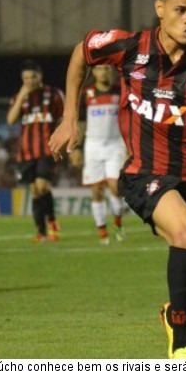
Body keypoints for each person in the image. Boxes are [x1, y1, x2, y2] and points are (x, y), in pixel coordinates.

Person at [49, 0, 186, 359]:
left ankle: (174, 311)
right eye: (181, 10)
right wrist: (71, 116)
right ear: (160, 9)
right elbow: (82, 51)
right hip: (148, 172)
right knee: (184, 232)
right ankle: (182, 342)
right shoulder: (128, 47)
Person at [69, 65, 128, 245]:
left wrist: (128, 148)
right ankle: (102, 229)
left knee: (115, 186)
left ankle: (118, 223)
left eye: (107, 69)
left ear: (112, 72)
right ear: (93, 72)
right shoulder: (86, 94)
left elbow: (128, 120)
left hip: (115, 144)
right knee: (96, 189)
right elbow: (80, 123)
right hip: (93, 145)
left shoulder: (121, 92)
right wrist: (76, 147)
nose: (104, 72)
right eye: (100, 69)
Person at [6, 60, 63, 243]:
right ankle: (42, 232)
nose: (29, 81)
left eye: (33, 77)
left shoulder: (53, 95)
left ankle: (52, 221)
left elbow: (62, 118)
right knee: (36, 192)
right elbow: (11, 120)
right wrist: (22, 95)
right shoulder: (18, 98)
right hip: (26, 152)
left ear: (40, 76)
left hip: (47, 149)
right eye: (26, 78)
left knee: (42, 186)